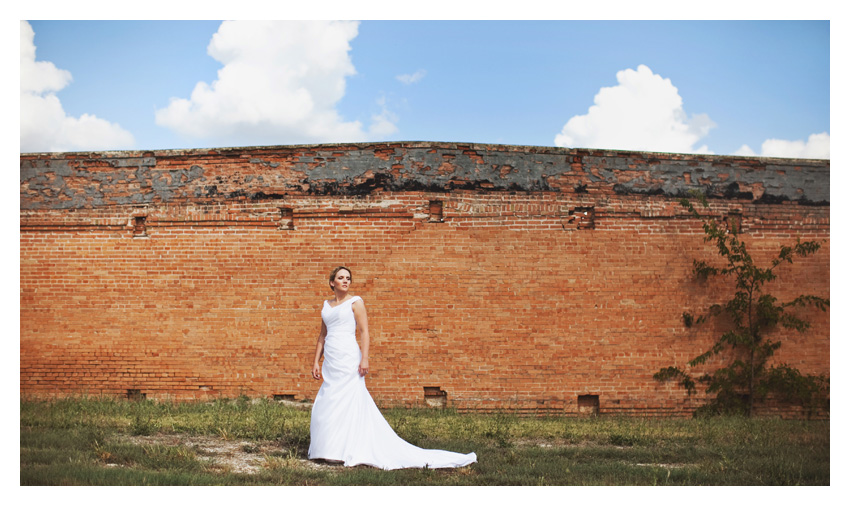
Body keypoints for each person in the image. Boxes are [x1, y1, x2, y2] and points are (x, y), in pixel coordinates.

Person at [308, 266, 477, 470]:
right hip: (332, 360)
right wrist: (316, 360)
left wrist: (365, 359)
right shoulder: (326, 306)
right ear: (332, 282)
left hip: (348, 357)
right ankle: (328, 448)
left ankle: (345, 448)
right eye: (341, 278)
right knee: (329, 400)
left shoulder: (356, 303)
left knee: (348, 400)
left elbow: (365, 332)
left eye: (348, 278)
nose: (345, 281)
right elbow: (322, 336)